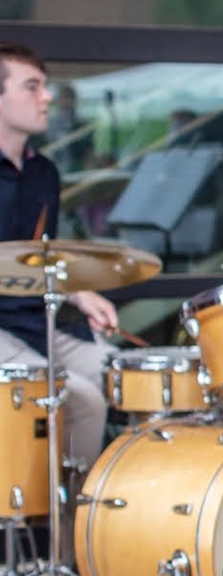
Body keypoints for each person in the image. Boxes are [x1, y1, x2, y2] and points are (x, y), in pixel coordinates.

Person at [0, 42, 119, 470]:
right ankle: (66, 529)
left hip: (39, 322)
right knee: (82, 401)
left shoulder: (43, 172)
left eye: (45, 87)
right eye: (32, 87)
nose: (46, 97)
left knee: (125, 374)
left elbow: (39, 255)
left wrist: (78, 292)